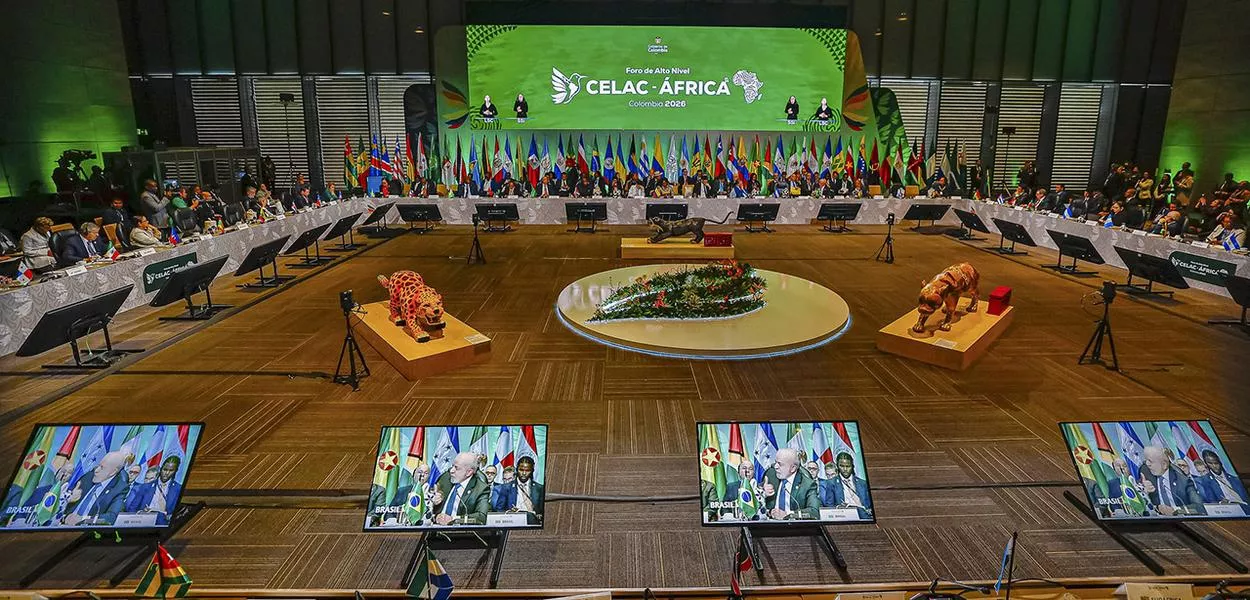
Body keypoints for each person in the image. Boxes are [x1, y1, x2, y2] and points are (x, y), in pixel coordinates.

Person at [63, 451, 132, 526]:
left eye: (102, 468)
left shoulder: (119, 488)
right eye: (98, 466)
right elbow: (66, 501)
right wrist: (66, 515)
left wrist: (84, 519)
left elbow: (111, 518)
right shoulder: (88, 477)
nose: (96, 470)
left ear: (113, 472)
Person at [429, 452, 490, 525]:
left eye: (456, 468)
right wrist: (433, 504)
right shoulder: (445, 479)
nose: (451, 471)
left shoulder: (481, 489)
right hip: (435, 530)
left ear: (469, 472)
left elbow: (481, 517)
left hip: (459, 533)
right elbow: (430, 509)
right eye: (452, 466)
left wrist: (454, 519)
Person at [1140, 445, 1204, 516]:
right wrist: (1144, 492)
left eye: (1151, 462)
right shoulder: (1145, 471)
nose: (1148, 464)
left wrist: (1176, 510)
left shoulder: (1184, 481)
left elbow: (1199, 508)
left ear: (1164, 465)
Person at [761, 448, 820, 520]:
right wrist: (762, 494)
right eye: (775, 462)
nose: (776, 467)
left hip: (795, 528)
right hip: (769, 526)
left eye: (780, 464)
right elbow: (751, 504)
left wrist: (788, 514)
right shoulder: (770, 475)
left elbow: (814, 512)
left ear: (793, 468)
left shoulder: (807, 485)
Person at [122, 456, 182, 525]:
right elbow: (131, 510)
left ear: (176, 471)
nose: (167, 473)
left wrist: (161, 513)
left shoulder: (178, 489)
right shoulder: (145, 487)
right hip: (142, 524)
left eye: (171, 470)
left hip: (163, 526)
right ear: (161, 468)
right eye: (165, 469)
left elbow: (175, 515)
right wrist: (139, 514)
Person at [493, 456, 544, 524]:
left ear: (532, 471)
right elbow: (499, 510)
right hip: (513, 522)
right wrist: (508, 514)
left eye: (527, 470)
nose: (524, 473)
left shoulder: (539, 488)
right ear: (517, 469)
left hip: (533, 522)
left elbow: (542, 512)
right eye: (521, 470)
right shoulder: (506, 487)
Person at [830, 452, 872, 519]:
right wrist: (838, 508)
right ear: (837, 466)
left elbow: (870, 506)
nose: (845, 469)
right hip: (844, 517)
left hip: (865, 517)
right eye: (842, 466)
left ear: (852, 466)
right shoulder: (831, 483)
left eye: (848, 466)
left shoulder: (863, 483)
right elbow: (829, 506)